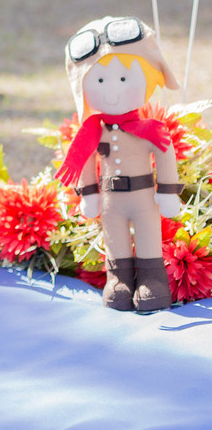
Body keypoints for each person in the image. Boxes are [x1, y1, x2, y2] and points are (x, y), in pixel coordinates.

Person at [56, 16, 181, 313]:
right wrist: (88, 193)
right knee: (114, 238)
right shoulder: (92, 133)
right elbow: (85, 160)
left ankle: (154, 280)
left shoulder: (151, 130)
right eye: (99, 81)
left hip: (144, 197)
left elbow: (165, 153)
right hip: (111, 200)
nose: (113, 91)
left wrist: (168, 192)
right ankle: (118, 279)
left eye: (124, 79)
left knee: (149, 232)